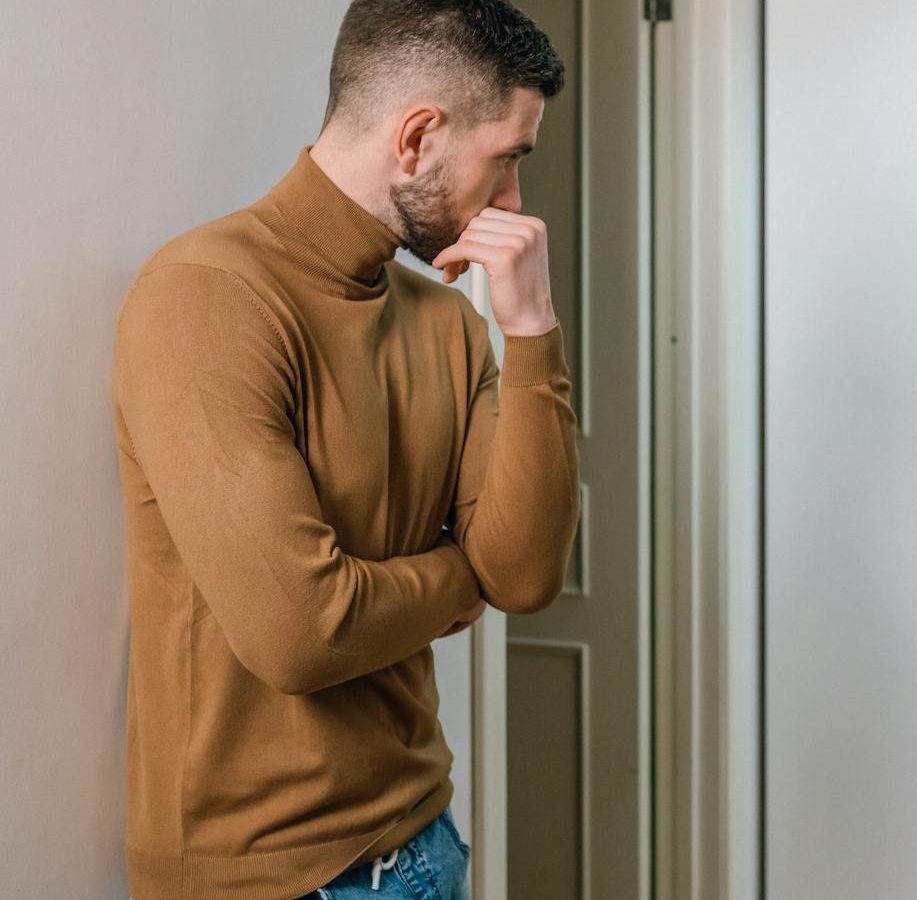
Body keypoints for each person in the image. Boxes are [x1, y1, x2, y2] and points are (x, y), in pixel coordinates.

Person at [110, 2, 578, 897]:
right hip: (275, 877)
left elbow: (522, 577)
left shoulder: (447, 320)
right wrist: (459, 576)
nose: (516, 204)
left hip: (426, 838)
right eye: (507, 160)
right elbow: (301, 635)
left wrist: (531, 329)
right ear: (418, 139)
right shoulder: (206, 296)